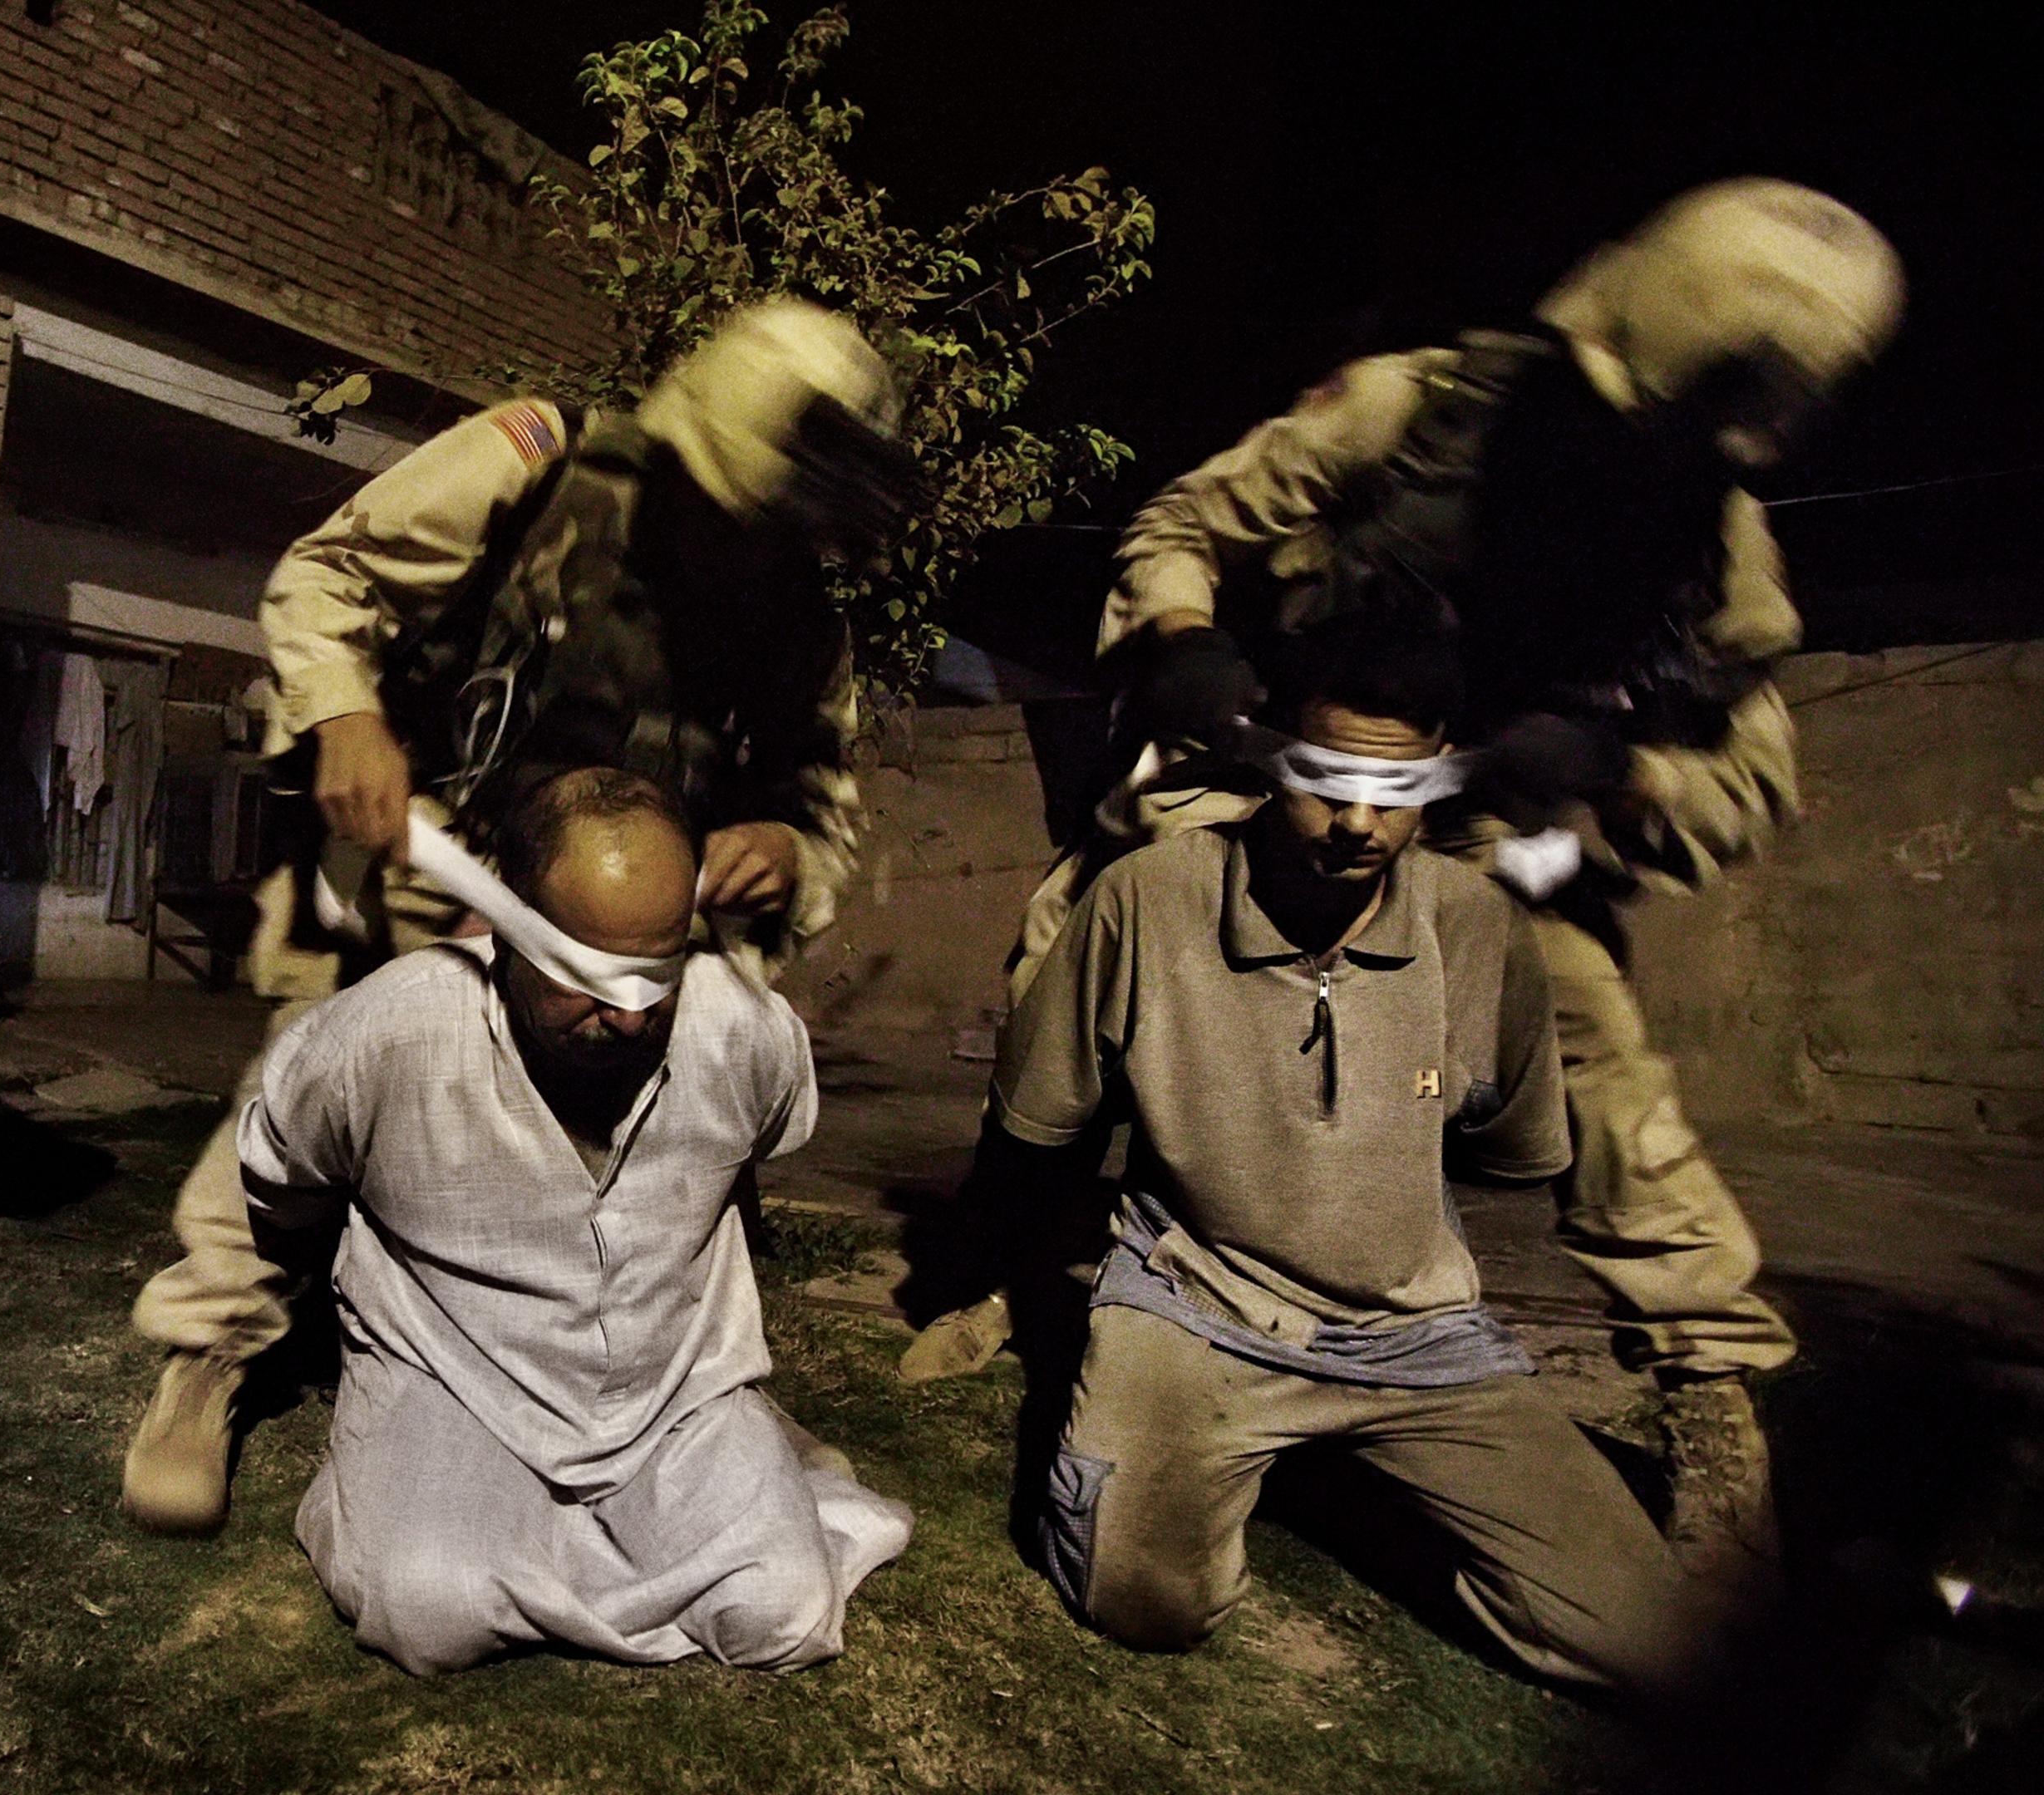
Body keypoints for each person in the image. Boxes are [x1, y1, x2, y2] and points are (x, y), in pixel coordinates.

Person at [1015, 180, 1904, 1556]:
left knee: (1595, 1050)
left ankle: (1712, 1403)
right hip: (1296, 770)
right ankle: (1009, 1260)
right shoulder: (1402, 412)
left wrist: (1623, 773)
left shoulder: (1719, 547)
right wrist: (1184, 636)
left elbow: (1752, 773)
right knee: (1089, 924)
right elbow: (1182, 526)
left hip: (1492, 835)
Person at [122, 298, 910, 1534]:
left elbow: (823, 794)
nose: (750, 546)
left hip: (631, 917)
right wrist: (345, 712)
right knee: (316, 1084)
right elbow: (329, 575)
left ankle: (713, 1395)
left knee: (698, 1118)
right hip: (433, 859)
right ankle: (210, 1356)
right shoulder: (537, 463)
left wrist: (786, 849)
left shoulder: (799, 611)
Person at [987, 625, 1709, 1698]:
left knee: (1653, 1642)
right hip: (1201, 1311)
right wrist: (1054, 1315)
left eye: (1398, 787)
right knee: (1141, 1599)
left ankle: (1340, 1478)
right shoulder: (1147, 899)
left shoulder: (1477, 927)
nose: (1359, 824)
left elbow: (1510, 1147)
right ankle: (1240, 1460)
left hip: (1414, 1337)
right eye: (1327, 781)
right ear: (1274, 758)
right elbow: (1037, 1129)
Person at [246, 768, 911, 1675]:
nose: (628, 1015)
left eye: (655, 971)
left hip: (674, 1396)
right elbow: (283, 1178)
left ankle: (718, 1479)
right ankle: (487, 1512)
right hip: (455, 1384)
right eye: (588, 974)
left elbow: (762, 1137)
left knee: (783, 1615)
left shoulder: (744, 1032)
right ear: (504, 927)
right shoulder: (387, 1037)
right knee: (427, 1608)